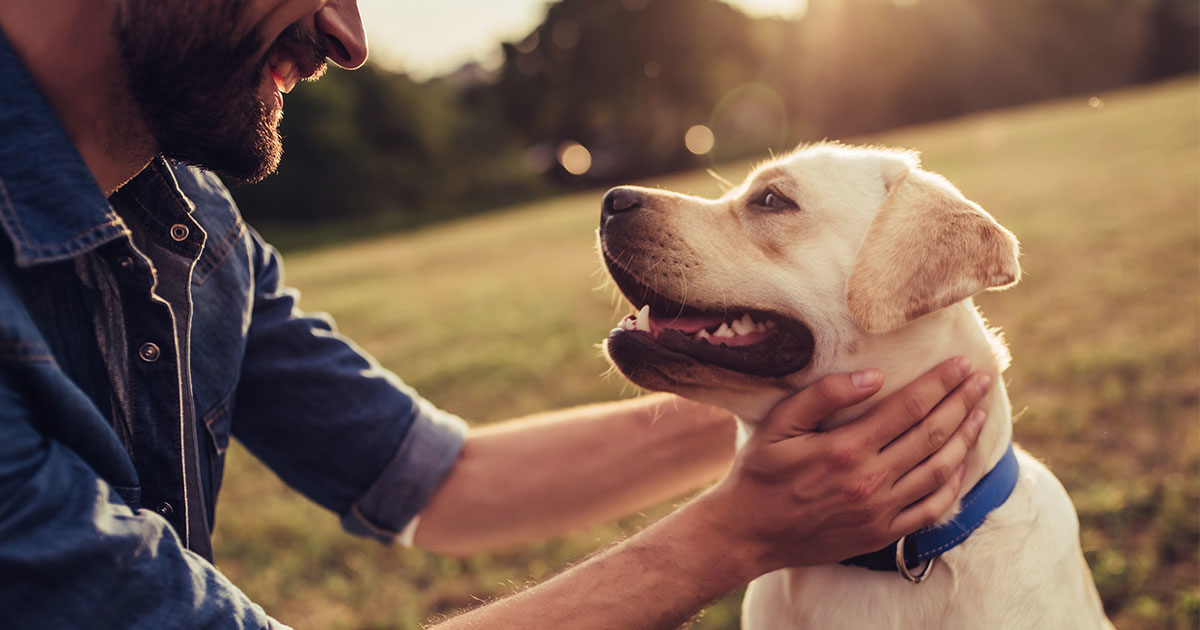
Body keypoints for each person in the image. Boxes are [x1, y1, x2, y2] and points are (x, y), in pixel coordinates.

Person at [0, 1, 994, 628]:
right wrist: (730, 538)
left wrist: (824, 401)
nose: (348, 35)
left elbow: (446, 482)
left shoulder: (189, 224)